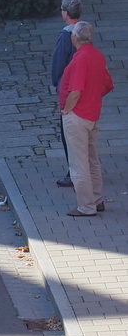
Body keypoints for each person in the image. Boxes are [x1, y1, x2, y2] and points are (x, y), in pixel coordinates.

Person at [59, 20, 114, 217]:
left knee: (78, 163)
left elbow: (75, 91)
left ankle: (86, 206)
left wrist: (66, 110)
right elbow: (107, 85)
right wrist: (93, 97)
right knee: (92, 160)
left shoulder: (79, 59)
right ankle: (97, 200)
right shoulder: (97, 56)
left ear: (75, 38)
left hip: (77, 116)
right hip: (93, 115)